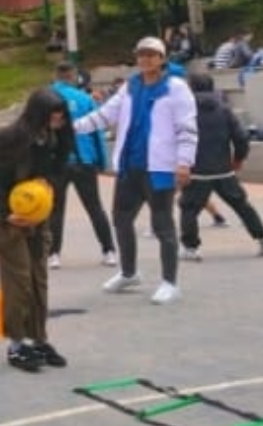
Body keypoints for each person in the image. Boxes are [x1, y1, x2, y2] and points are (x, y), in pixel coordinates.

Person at [74, 37, 198, 305]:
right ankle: (129, 272)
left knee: (162, 224)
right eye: (141, 54)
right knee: (121, 219)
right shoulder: (131, 86)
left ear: (162, 59)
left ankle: (170, 282)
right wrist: (73, 127)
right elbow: (105, 115)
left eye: (152, 54)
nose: (145, 59)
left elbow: (187, 128)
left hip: (160, 168)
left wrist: (184, 162)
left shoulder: (176, 88)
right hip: (130, 166)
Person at [0, 89, 71, 373]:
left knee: (38, 277)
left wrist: (49, 184)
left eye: (61, 116)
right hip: (3, 215)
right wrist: (10, 215)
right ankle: (16, 346)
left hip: (35, 214)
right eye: (54, 116)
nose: (58, 120)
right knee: (19, 277)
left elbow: (56, 172)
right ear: (38, 114)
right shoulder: (9, 138)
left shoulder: (51, 137)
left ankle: (38, 340)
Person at [178, 74, 263, 262]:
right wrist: (239, 158)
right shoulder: (224, 110)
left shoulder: (185, 110)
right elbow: (240, 137)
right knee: (242, 205)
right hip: (223, 168)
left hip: (197, 170)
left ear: (190, 88)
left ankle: (191, 247)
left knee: (189, 208)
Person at [49, 63, 117, 269]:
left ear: (56, 76)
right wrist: (103, 161)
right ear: (73, 77)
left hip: (55, 162)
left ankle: (53, 254)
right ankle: (109, 251)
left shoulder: (44, 98)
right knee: (94, 207)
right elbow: (97, 131)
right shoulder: (85, 99)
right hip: (84, 160)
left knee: (55, 210)